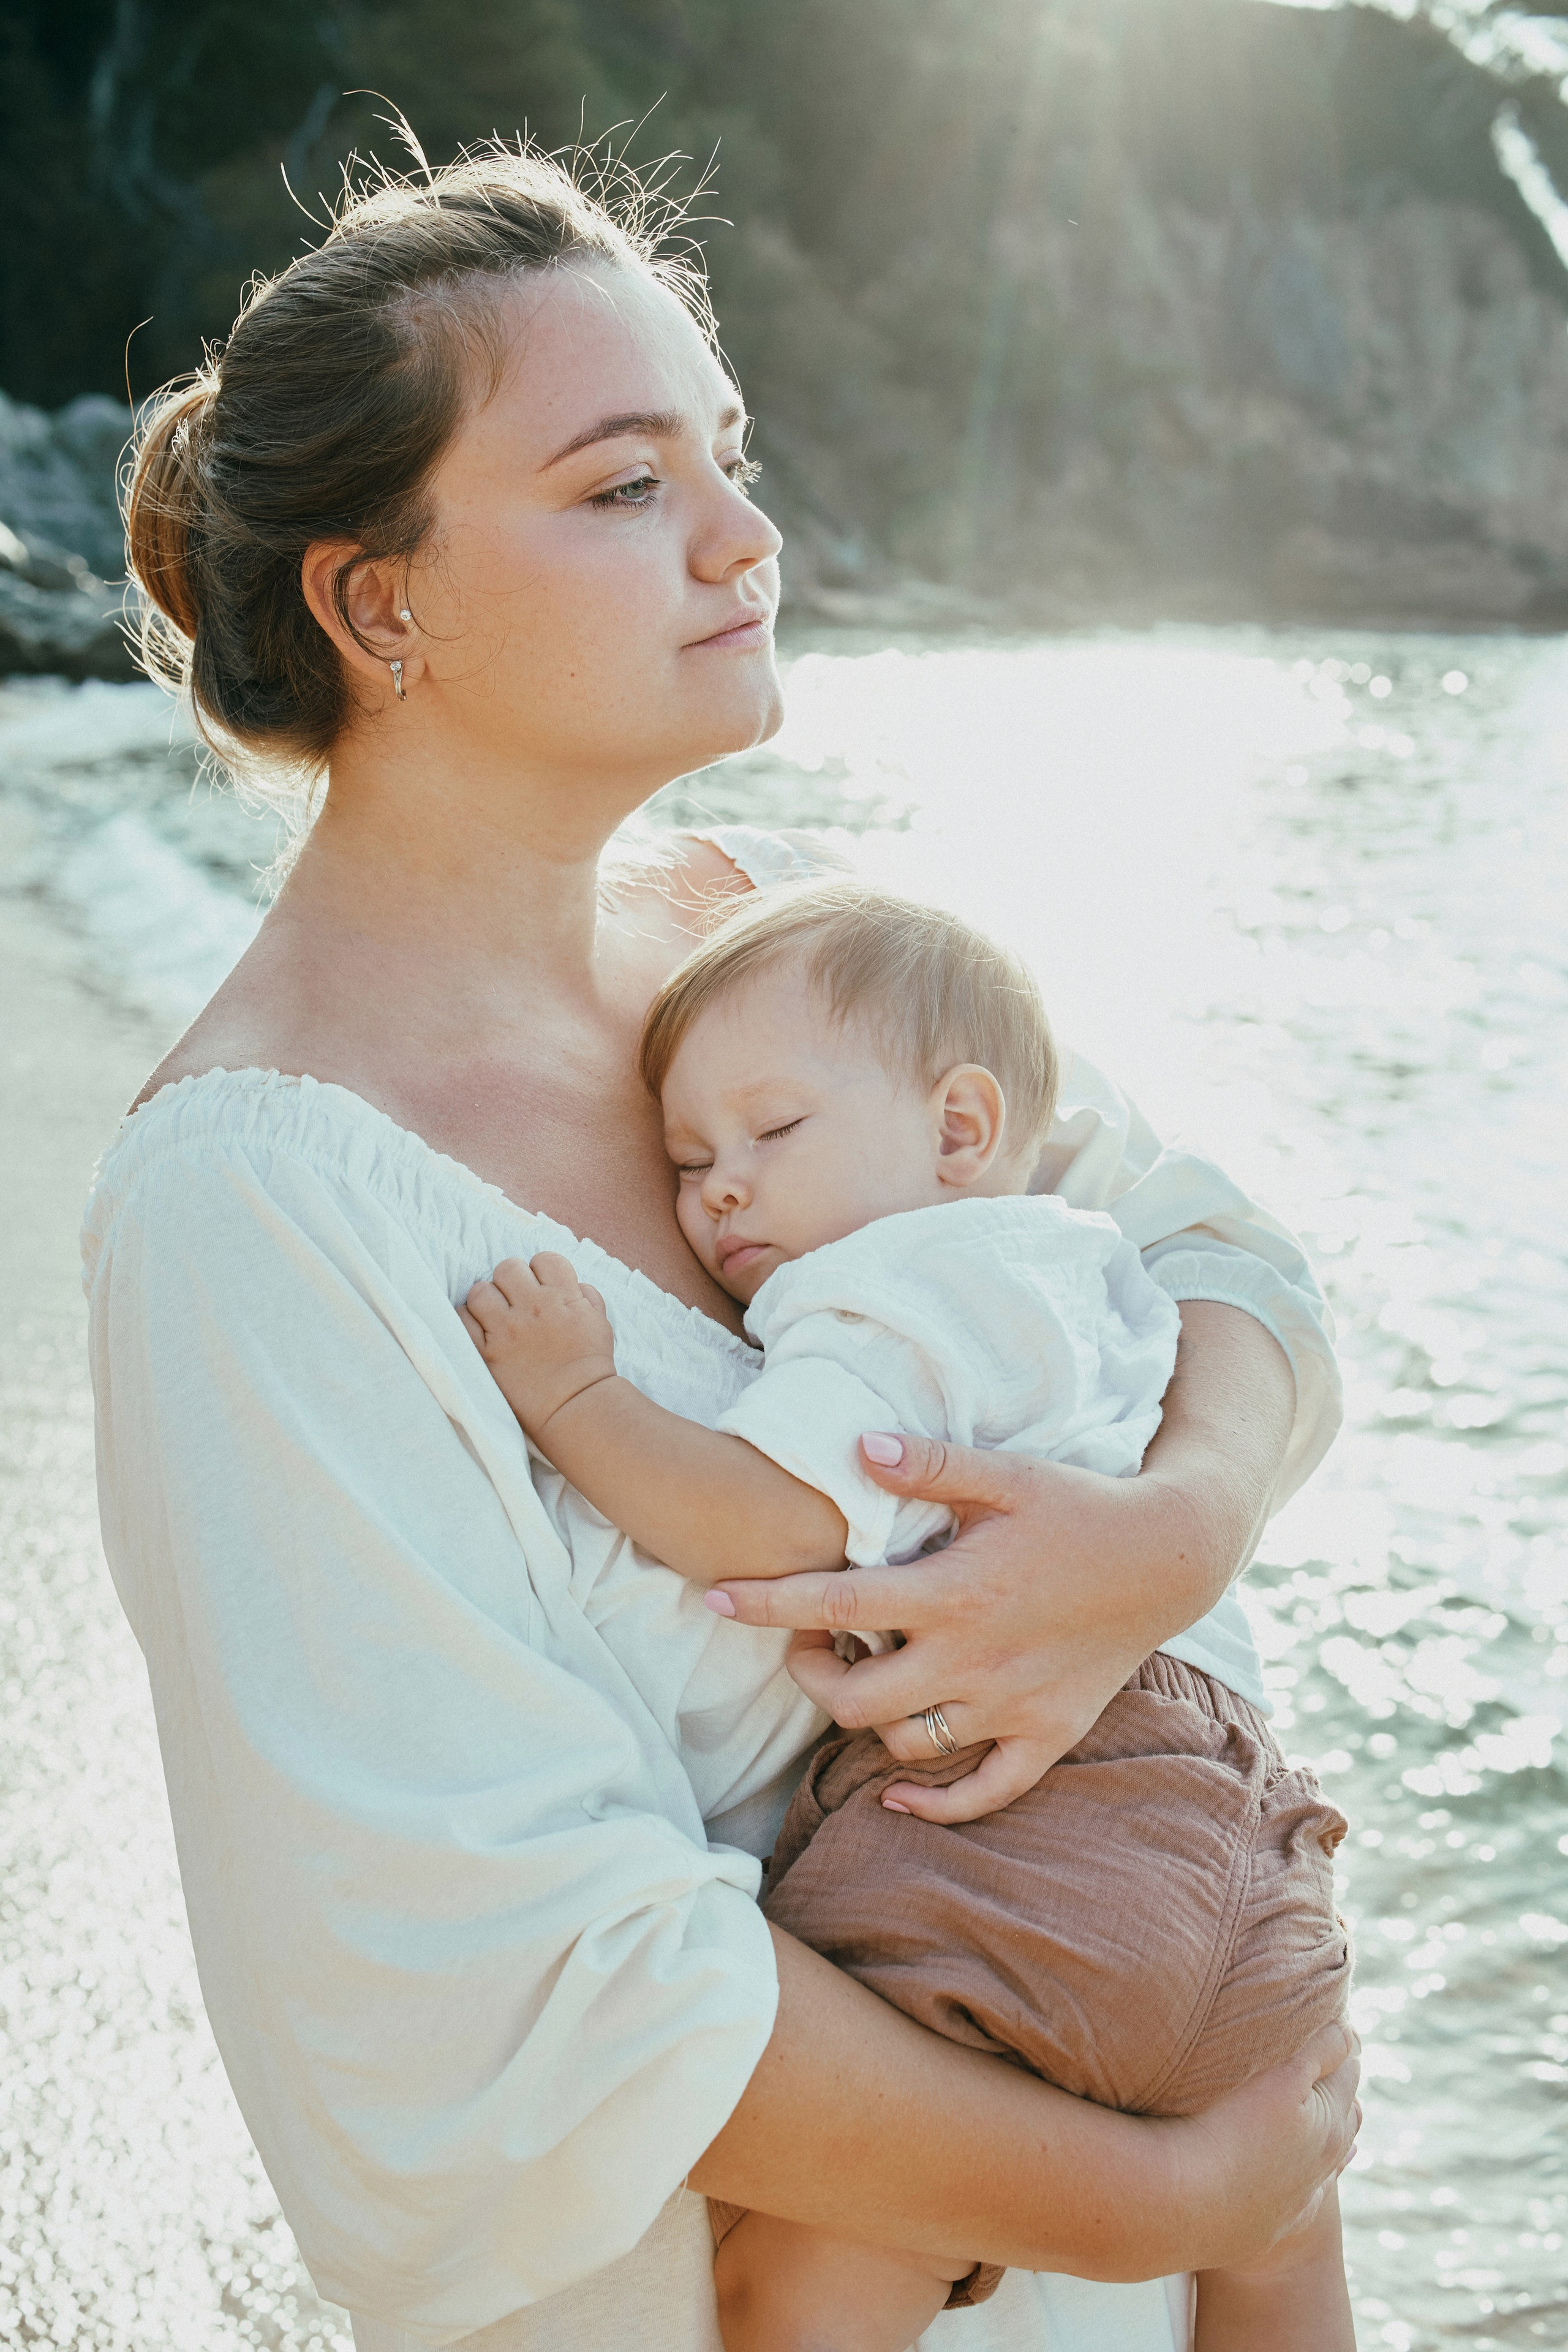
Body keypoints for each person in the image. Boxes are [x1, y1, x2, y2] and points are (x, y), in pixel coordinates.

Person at [86, 141, 1359, 2352]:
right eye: (620, 485)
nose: (749, 537)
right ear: (377, 607)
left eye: (732, 455)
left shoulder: (739, 936)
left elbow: (1208, 1246)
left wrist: (1164, 1532)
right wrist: (1174, 2190)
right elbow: (514, 1976)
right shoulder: (255, 1211)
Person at [463, 880, 1354, 2352]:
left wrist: (574, 1396)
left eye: (771, 1133)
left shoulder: (900, 1293)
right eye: (688, 1160)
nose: (719, 1191)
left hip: (1043, 1837)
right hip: (1241, 1843)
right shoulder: (1066, 1260)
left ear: (955, 1129)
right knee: (1278, 2236)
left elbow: (759, 1515)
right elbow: (1239, 1270)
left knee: (821, 2259)